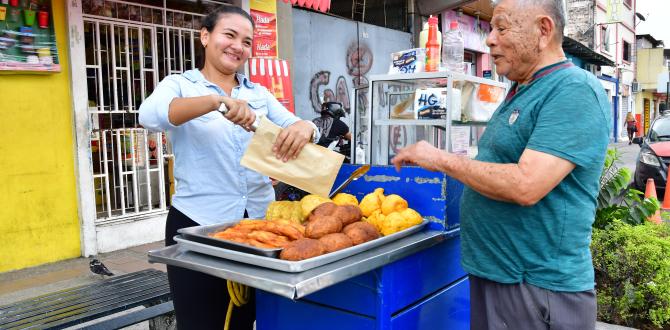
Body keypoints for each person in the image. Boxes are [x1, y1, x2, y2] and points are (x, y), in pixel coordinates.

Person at [391, 0, 610, 329]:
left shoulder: (574, 90)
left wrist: (440, 159)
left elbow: (526, 184)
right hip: (499, 279)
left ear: (543, 30)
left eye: (502, 27)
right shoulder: (521, 90)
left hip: (536, 290)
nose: (490, 39)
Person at [138, 5, 318, 329]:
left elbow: (296, 124)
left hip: (260, 228)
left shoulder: (258, 93)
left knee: (253, 319)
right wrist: (214, 102)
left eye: (247, 41)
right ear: (205, 36)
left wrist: (306, 127)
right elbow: (149, 116)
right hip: (199, 227)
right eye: (229, 35)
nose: (238, 46)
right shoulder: (180, 85)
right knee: (203, 321)